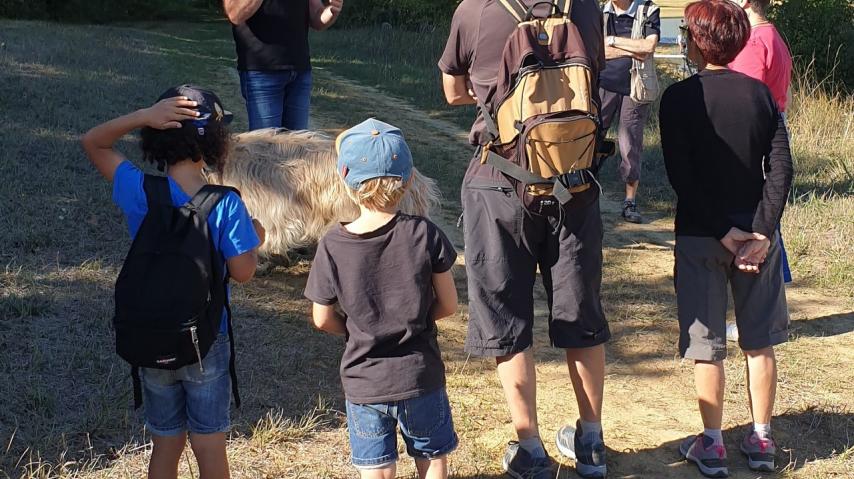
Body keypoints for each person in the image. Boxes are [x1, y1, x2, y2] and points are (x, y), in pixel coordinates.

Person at [438, 1, 610, 478]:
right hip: (574, 180)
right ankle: (591, 441)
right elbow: (596, 71)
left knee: (506, 312)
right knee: (582, 311)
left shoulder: (475, 9)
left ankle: (530, 447)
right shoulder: (586, 7)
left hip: (499, 180)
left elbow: (453, 88)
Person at [81, 86, 265, 479]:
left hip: (151, 338)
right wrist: (256, 237)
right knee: (208, 443)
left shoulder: (140, 190)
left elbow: (93, 142)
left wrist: (143, 114)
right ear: (214, 142)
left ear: (156, 134)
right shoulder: (226, 202)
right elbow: (243, 271)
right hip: (207, 341)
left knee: (166, 441)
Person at [659, 1, 793, 476]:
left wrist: (722, 230)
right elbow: (781, 168)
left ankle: (711, 443)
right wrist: (763, 228)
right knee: (759, 342)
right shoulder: (761, 96)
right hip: (756, 236)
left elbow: (682, 175)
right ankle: (761, 438)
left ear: (696, 41)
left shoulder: (677, 99)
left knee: (706, 345)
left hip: (702, 234)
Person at [304, 118, 459, 479]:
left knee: (376, 470)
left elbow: (321, 317)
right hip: (420, 373)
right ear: (407, 181)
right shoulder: (425, 234)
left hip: (364, 381)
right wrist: (416, 320)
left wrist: (356, 330)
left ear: (345, 181)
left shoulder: (332, 245)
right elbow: (449, 304)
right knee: (433, 459)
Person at [730, 0, 794, 286]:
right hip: (775, 128)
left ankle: (768, 309)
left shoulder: (753, 42)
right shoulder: (773, 35)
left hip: (757, 140)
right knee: (770, 218)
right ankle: (776, 298)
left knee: (760, 223)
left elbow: (743, 101)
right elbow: (787, 97)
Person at [224, 0, 344, 131]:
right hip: (262, 71)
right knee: (266, 147)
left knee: (298, 148)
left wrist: (332, 10)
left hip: (299, 71)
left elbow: (316, 16)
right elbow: (235, 14)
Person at [600, 0, 661, 223]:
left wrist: (614, 42)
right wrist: (632, 48)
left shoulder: (648, 9)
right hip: (602, 85)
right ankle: (586, 192)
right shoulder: (601, 12)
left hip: (636, 90)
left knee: (630, 146)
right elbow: (597, 50)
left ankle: (629, 201)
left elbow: (648, 48)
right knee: (591, 138)